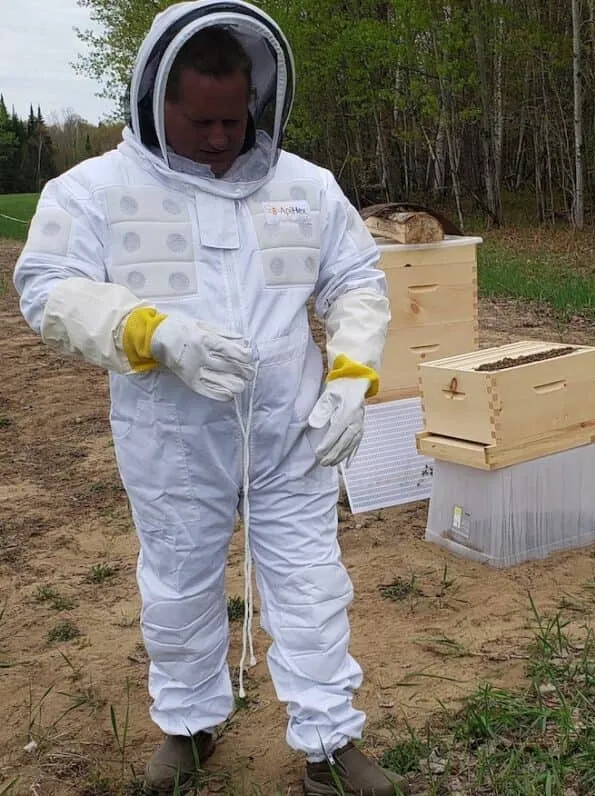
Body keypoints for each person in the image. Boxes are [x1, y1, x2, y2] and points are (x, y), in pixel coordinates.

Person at [13, 2, 403, 794]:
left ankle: (329, 745)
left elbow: (357, 281)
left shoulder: (306, 187)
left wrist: (353, 379)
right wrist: (153, 333)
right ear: (156, 98)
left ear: (257, 103)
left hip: (291, 428)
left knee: (310, 582)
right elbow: (47, 290)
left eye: (234, 120)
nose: (222, 138)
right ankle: (188, 728)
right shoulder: (94, 190)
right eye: (201, 121)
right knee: (180, 583)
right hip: (170, 435)